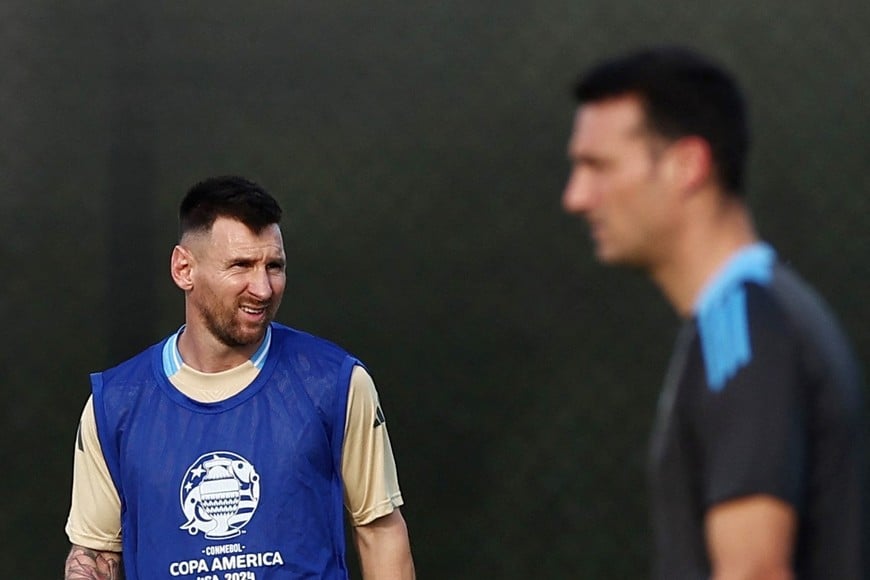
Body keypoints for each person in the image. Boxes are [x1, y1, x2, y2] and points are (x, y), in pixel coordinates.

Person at [562, 46, 865, 578]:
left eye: (597, 166)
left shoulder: (743, 325)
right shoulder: (755, 316)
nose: (577, 196)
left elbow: (753, 572)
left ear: (687, 165)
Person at [64, 175, 416, 579]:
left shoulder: (335, 383)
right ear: (184, 269)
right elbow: (94, 555)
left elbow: (380, 533)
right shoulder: (115, 405)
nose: (263, 288)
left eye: (274, 266)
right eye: (241, 266)